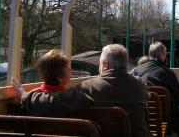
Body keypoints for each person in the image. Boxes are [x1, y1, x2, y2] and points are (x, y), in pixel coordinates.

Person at [19, 44, 150, 137]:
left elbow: (51, 102)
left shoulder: (89, 87)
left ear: (105, 65)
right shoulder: (140, 86)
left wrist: (24, 96)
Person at [132, 41, 179, 136]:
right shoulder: (168, 73)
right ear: (162, 54)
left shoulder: (137, 70)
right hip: (164, 120)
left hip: (142, 118)